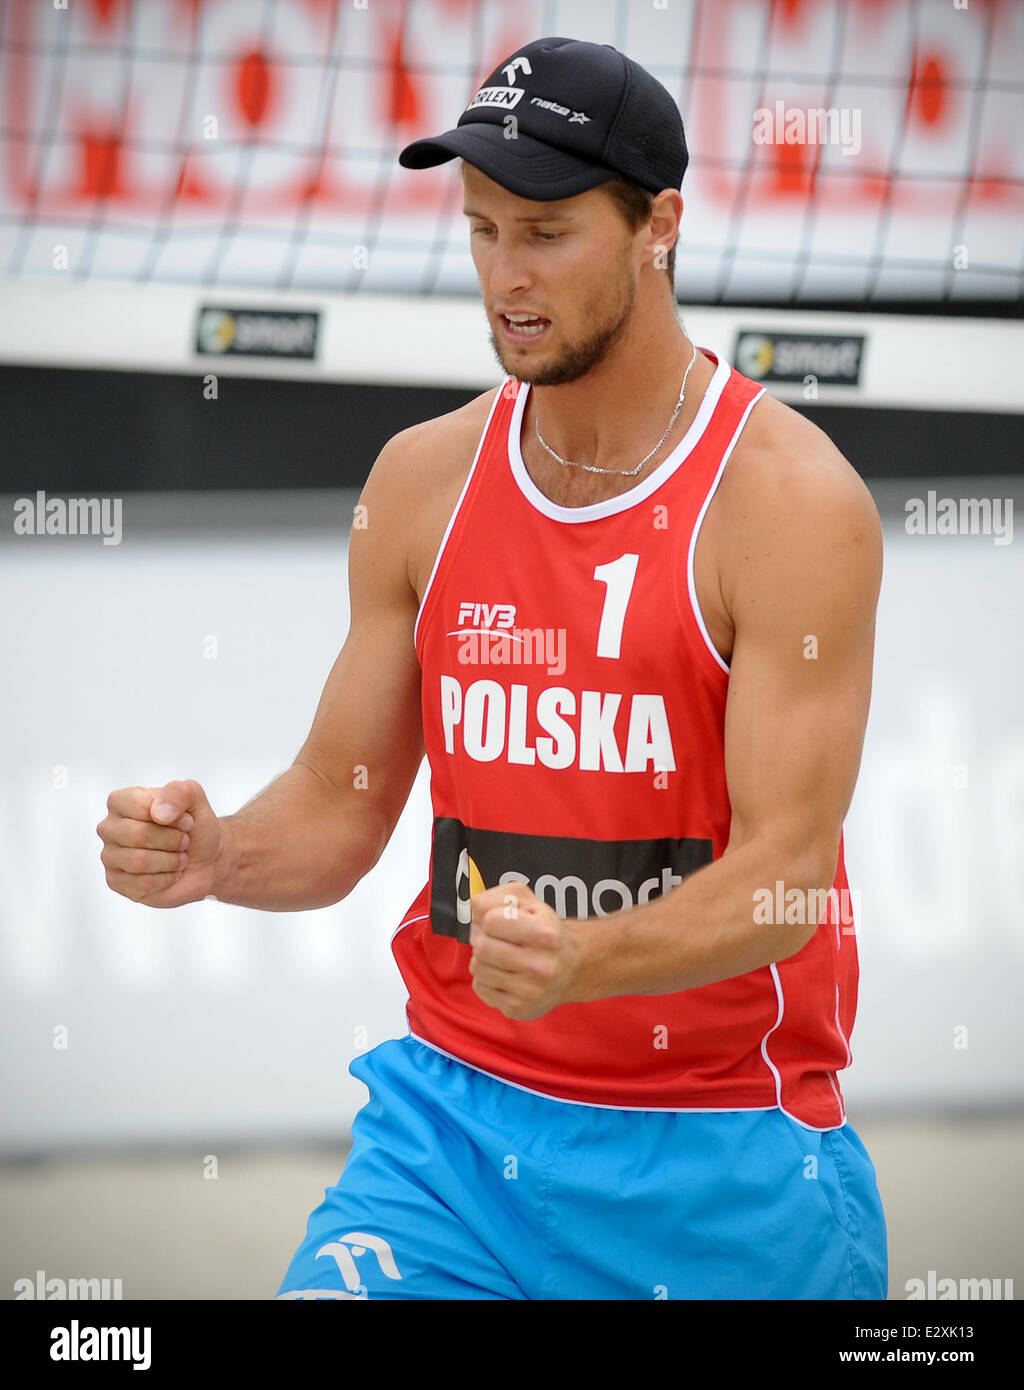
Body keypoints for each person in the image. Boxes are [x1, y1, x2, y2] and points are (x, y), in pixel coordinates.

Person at [97, 36, 887, 1300]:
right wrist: (220, 855)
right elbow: (340, 806)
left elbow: (787, 889)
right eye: (481, 232)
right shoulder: (422, 479)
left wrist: (588, 958)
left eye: (545, 233)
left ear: (657, 227)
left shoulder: (789, 502)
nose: (504, 279)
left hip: (723, 1157)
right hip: (454, 1138)